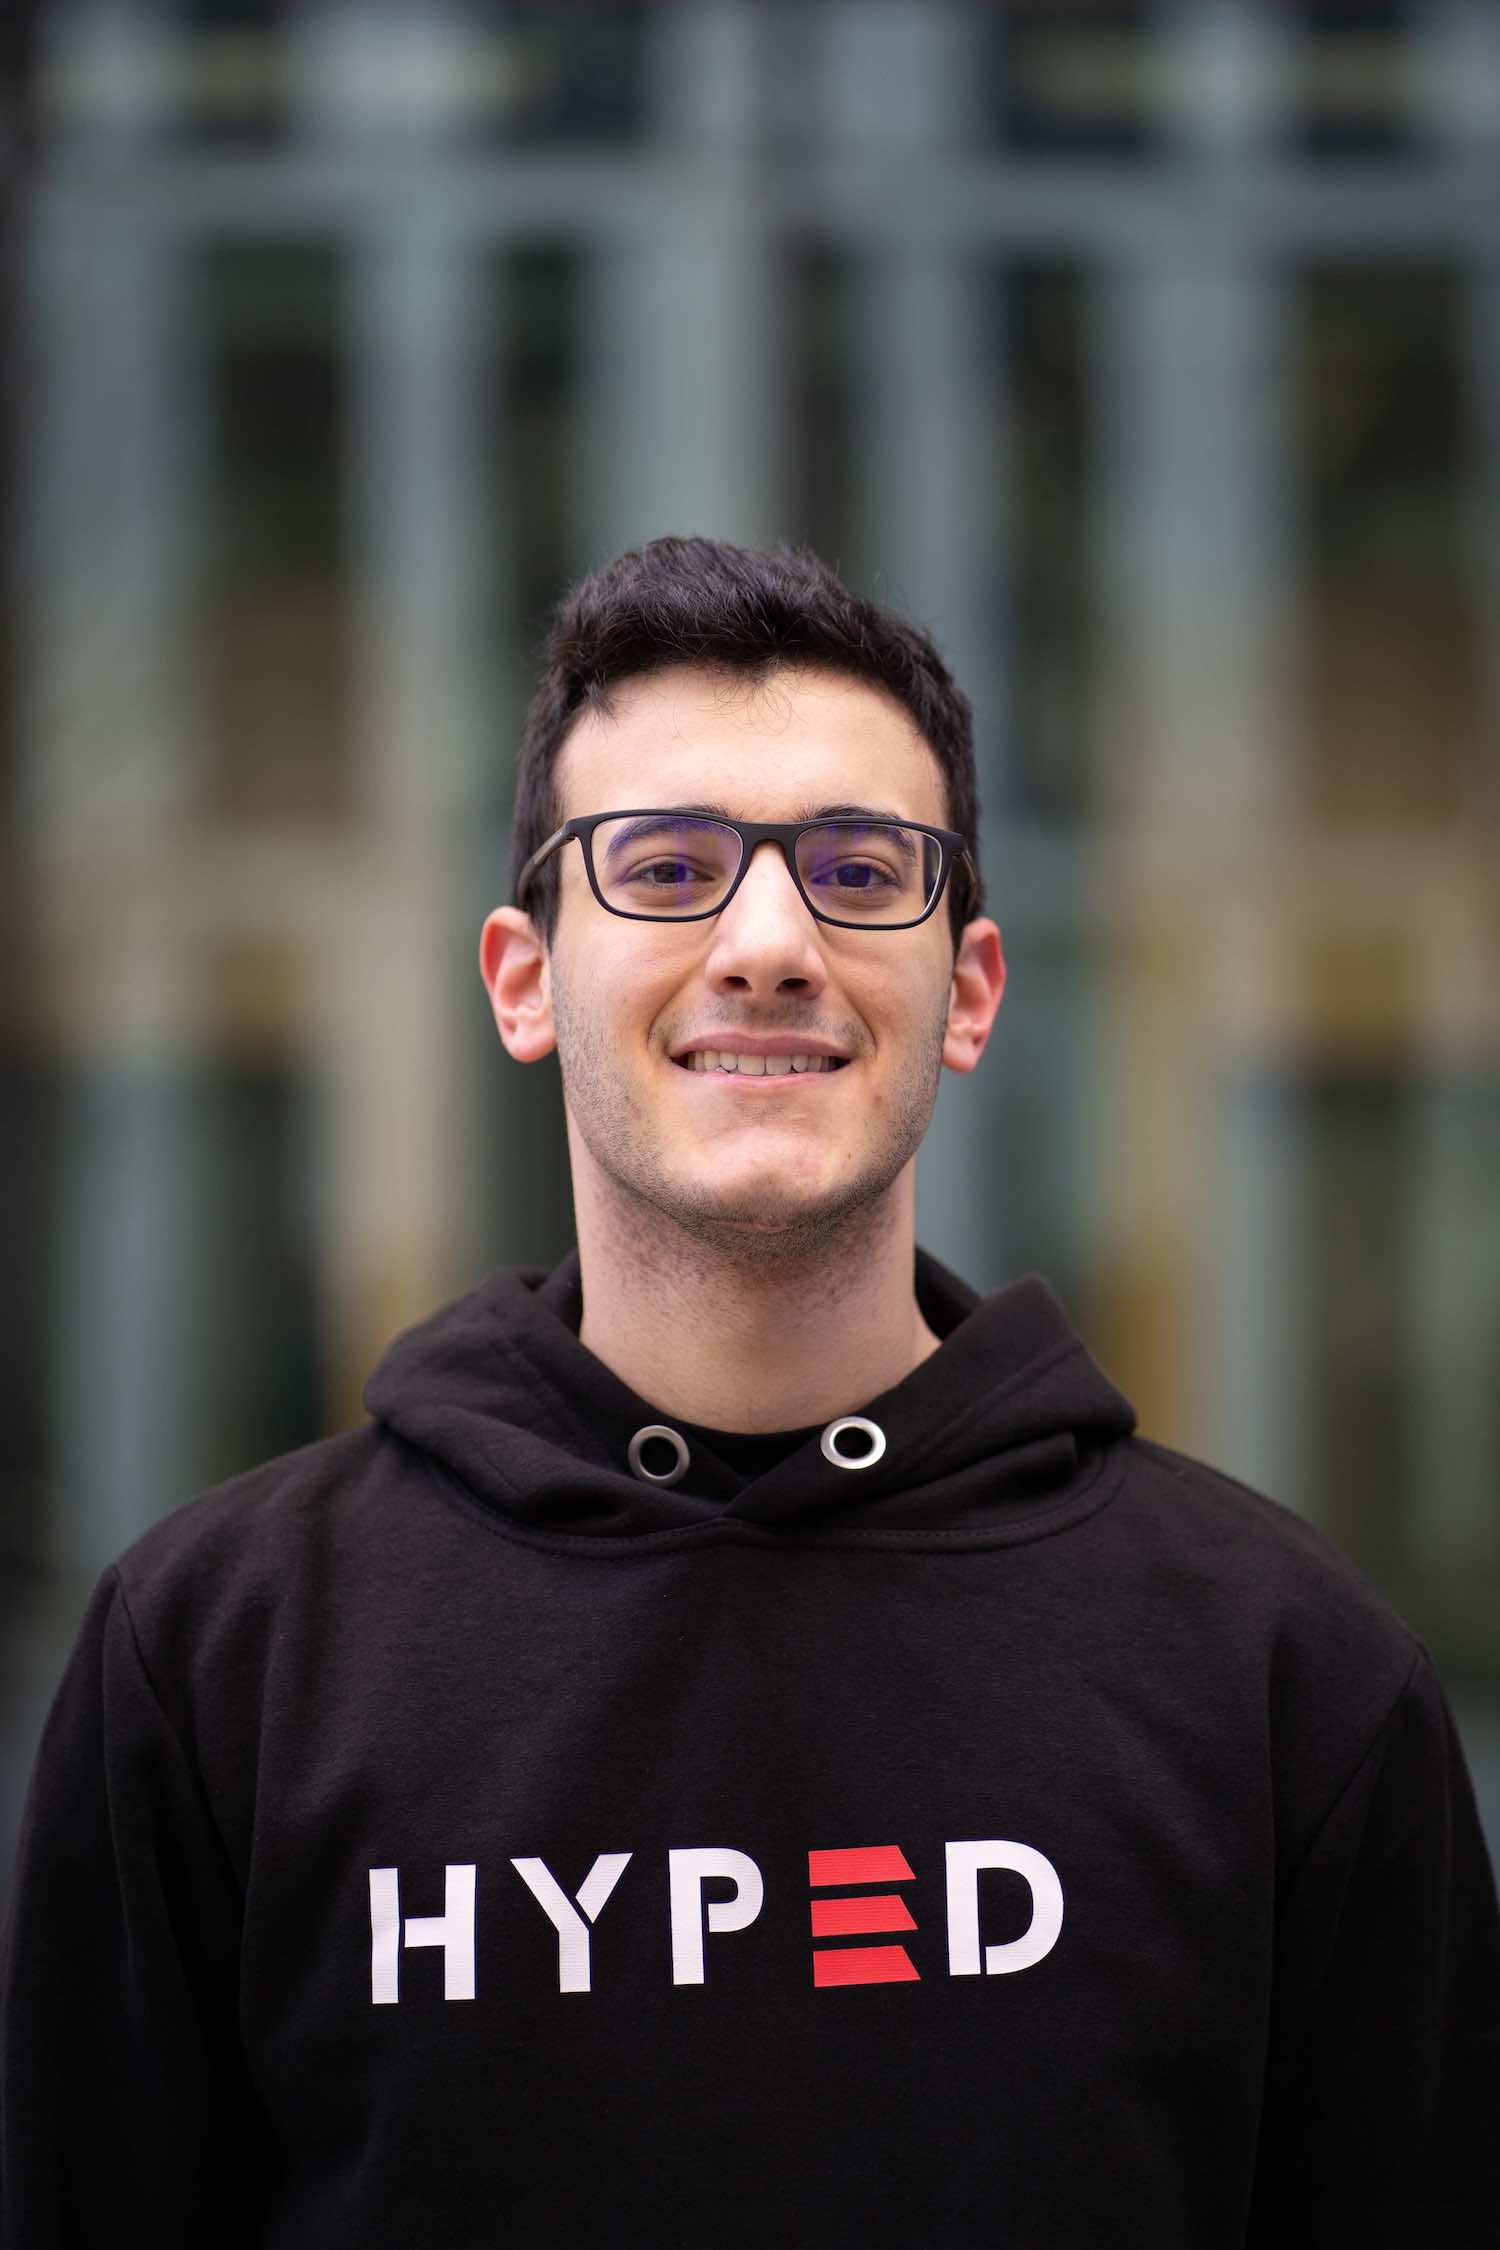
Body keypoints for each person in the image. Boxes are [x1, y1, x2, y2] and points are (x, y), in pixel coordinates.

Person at [2, 535, 1498, 2249]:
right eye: (666, 866)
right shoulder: (220, 1660)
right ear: (523, 980)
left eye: (862, 870)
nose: (771, 941)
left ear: (970, 990)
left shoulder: (1288, 1673)